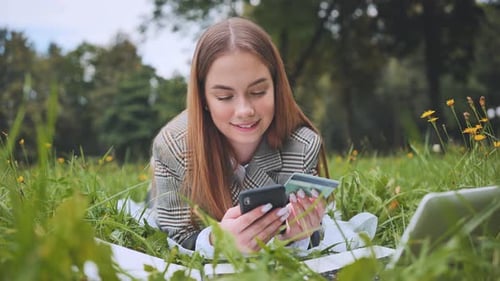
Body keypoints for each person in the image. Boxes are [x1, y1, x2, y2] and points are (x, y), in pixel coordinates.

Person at [150, 17, 330, 255]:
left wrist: (295, 237)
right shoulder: (173, 147)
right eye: (224, 97)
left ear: (276, 87)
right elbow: (174, 234)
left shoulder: (303, 146)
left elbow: (314, 234)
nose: (245, 111)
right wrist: (216, 241)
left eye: (258, 91)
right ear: (203, 99)